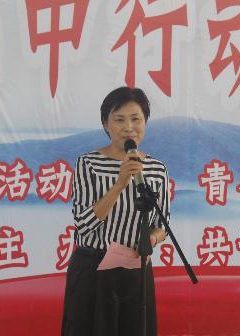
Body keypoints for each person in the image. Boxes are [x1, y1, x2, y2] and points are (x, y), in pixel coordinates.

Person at [61, 86, 170, 336]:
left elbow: (162, 224)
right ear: (105, 124)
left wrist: (151, 240)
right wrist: (120, 183)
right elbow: (83, 224)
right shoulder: (88, 163)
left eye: (136, 119)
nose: (128, 127)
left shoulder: (156, 169)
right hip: (93, 269)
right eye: (119, 120)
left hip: (136, 269)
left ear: (145, 122)